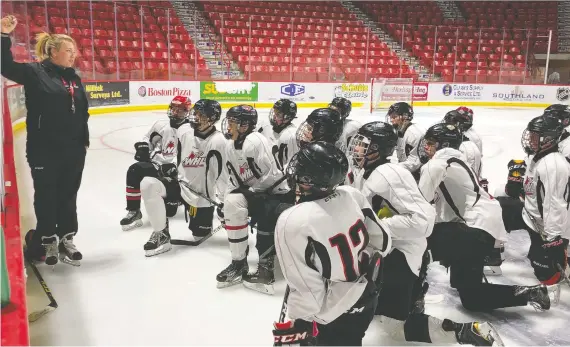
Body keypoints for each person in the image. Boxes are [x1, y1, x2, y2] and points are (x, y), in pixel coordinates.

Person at [347, 122, 502, 346]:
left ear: (378, 148)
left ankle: (467, 332)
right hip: (389, 251)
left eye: (363, 145)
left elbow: (422, 220)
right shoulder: (368, 173)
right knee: (376, 312)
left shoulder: (389, 173)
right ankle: (414, 297)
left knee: (394, 329)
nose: (357, 149)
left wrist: (378, 226)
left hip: (401, 254)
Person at [418, 123, 557, 312]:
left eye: (431, 143)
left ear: (443, 144)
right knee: (472, 299)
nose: (426, 147)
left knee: (419, 241)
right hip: (482, 227)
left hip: (473, 229)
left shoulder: (436, 165)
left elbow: (420, 204)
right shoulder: (455, 160)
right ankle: (532, 293)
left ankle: (413, 296)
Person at [273, 141, 391, 346]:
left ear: (310, 180)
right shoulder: (351, 194)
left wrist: (299, 323)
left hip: (333, 313)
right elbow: (383, 241)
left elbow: (307, 291)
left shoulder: (293, 219)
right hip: (367, 295)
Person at [2, 16, 89, 266]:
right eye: (68, 51)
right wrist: (2, 36)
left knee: (68, 195)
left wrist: (83, 141)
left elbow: (82, 112)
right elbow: (4, 66)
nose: (73, 55)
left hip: (73, 150)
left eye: (74, 51)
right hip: (44, 150)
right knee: (46, 195)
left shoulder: (74, 78)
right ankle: (47, 240)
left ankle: (67, 238)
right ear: (53, 52)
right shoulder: (34, 73)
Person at [217, 105, 295, 294]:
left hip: (278, 194)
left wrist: (252, 190)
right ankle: (239, 263)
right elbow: (233, 178)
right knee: (232, 204)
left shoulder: (255, 141)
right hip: (255, 192)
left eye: (233, 122)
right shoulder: (230, 145)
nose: (228, 126)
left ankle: (266, 266)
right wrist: (225, 200)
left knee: (267, 212)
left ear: (244, 125)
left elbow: (275, 176)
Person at [139, 99, 227, 257]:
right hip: (180, 187)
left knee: (200, 236)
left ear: (212, 118)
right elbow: (175, 152)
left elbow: (224, 175)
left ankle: (199, 222)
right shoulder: (184, 130)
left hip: (202, 197)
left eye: (201, 115)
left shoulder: (219, 141)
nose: (195, 117)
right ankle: (161, 234)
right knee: (148, 184)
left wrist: (225, 204)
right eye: (196, 113)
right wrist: (170, 164)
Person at [120, 96, 190, 231]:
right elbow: (147, 138)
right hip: (157, 165)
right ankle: (134, 211)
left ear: (186, 111)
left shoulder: (190, 130)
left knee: (170, 212)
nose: (175, 112)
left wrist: (177, 168)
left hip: (177, 174)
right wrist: (143, 147)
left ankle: (179, 197)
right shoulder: (161, 124)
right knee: (135, 170)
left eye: (180, 110)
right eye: (174, 109)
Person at [520, 114, 570, 285]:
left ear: (548, 138)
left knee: (547, 275)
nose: (530, 140)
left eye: (535, 136)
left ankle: (555, 273)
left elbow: (555, 204)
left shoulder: (553, 165)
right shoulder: (540, 156)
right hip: (534, 221)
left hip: (544, 228)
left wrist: (554, 238)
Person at [258, 99, 299, 170]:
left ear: (287, 117)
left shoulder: (292, 136)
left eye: (278, 114)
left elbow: (292, 166)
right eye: (274, 112)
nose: (274, 117)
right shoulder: (266, 127)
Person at [386, 102, 424, 178]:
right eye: (390, 117)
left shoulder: (415, 135)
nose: (391, 120)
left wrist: (394, 168)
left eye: (394, 117)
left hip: (417, 176)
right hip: (406, 171)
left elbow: (415, 163)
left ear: (405, 117)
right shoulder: (399, 130)